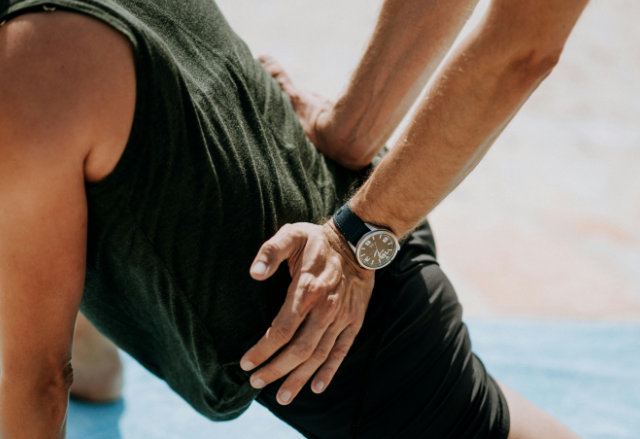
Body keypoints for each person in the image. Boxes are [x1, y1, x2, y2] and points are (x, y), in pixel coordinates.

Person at [0, 0, 589, 437]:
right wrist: (351, 133)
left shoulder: (31, 77)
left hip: (313, 286)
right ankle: (90, 338)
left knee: (469, 423)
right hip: (318, 182)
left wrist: (357, 235)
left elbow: (522, 47)